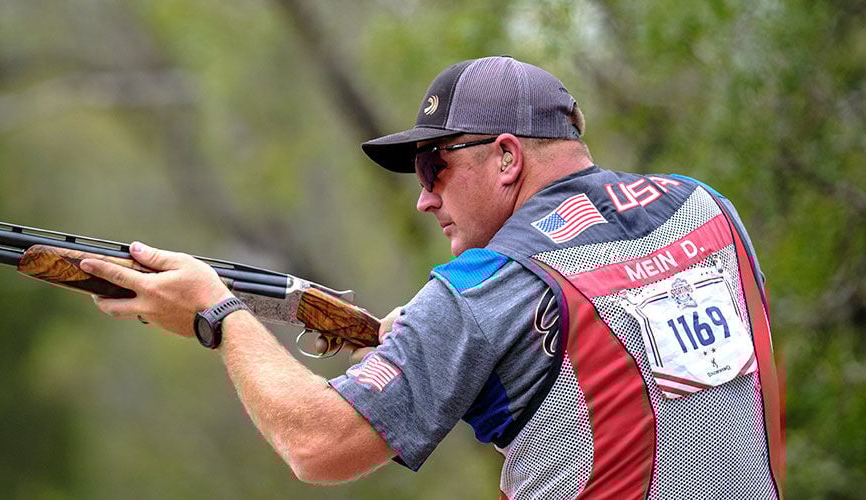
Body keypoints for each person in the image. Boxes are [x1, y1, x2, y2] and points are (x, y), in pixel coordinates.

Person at [81, 56, 784, 498]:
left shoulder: (486, 285)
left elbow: (318, 447)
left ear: (507, 158)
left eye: (434, 167)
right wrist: (437, 348)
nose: (424, 197)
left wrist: (216, 313)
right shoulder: (704, 210)